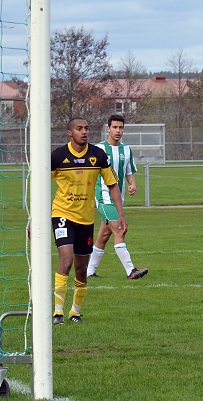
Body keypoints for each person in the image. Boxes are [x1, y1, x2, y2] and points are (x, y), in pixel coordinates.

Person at [48, 118, 124, 325]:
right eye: (79, 129)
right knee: (66, 260)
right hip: (62, 215)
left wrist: (120, 216)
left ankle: (75, 312)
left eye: (86, 128)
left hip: (85, 219)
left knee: (82, 269)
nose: (84, 132)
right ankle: (57, 313)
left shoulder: (98, 156)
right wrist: (33, 219)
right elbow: (41, 185)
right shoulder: (57, 156)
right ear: (69, 133)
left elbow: (113, 185)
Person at [86, 114, 148, 280]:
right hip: (103, 197)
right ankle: (131, 270)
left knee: (104, 236)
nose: (118, 130)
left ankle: (88, 271)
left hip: (118, 199)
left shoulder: (126, 150)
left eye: (120, 127)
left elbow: (129, 173)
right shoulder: (98, 149)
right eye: (114, 127)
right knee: (119, 229)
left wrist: (133, 184)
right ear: (108, 129)